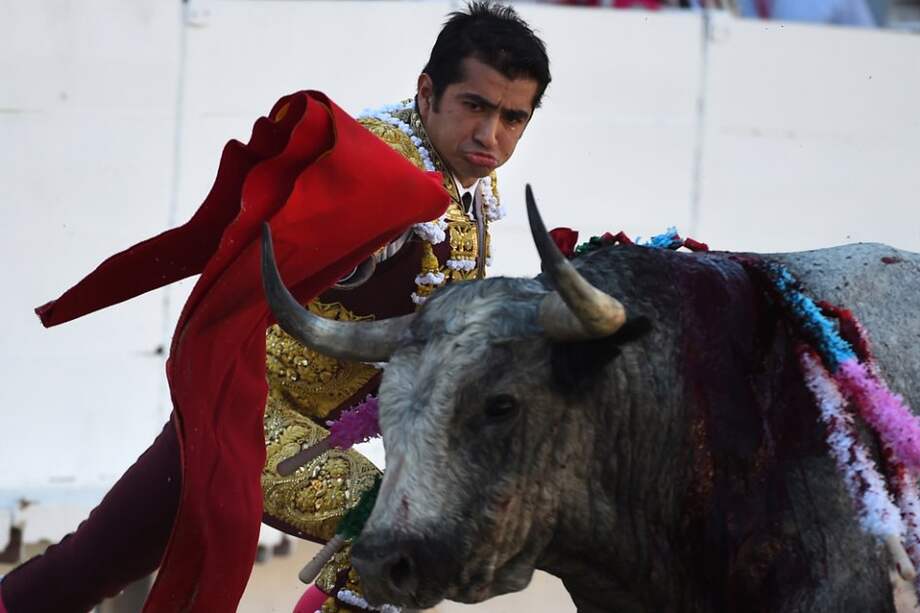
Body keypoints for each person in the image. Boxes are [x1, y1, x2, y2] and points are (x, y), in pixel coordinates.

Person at [0, 3, 551, 613]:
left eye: (512, 117)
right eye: (475, 106)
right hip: (249, 416)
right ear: (428, 92)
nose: (490, 135)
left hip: (284, 416)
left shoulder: (466, 175)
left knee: (86, 567)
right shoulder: (383, 166)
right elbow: (343, 215)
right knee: (395, 529)